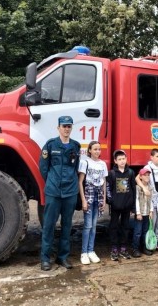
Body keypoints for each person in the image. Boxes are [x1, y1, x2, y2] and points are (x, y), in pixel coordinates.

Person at [39, 116, 81, 271]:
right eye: (64, 126)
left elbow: (75, 167)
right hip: (54, 192)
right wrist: (52, 181)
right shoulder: (50, 145)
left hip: (70, 192)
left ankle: (62, 257)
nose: (66, 129)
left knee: (67, 226)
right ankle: (45, 259)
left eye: (69, 126)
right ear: (58, 128)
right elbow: (44, 168)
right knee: (49, 226)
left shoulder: (75, 146)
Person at [78, 141, 107, 265]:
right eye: (95, 149)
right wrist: (83, 200)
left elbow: (104, 182)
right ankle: (84, 252)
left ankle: (91, 250)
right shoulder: (85, 162)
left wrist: (104, 199)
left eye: (99, 149)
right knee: (88, 225)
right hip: (89, 195)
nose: (97, 151)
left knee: (94, 226)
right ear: (89, 150)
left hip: (98, 196)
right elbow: (80, 182)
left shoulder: (103, 164)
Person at [136, 148, 158, 250]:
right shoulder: (147, 167)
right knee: (152, 223)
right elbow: (137, 178)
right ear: (151, 157)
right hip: (152, 199)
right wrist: (144, 188)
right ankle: (150, 242)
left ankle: (157, 241)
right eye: (157, 156)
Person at [106, 149, 136, 261]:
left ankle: (123, 248)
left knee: (125, 227)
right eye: (119, 159)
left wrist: (133, 205)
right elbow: (108, 188)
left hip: (127, 206)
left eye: (123, 159)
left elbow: (133, 189)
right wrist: (110, 201)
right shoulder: (112, 173)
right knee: (113, 227)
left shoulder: (130, 173)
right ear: (115, 161)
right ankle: (114, 248)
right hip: (115, 206)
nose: (122, 161)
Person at [132, 167, 154, 258]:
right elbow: (136, 200)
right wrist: (138, 213)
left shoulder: (150, 187)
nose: (147, 177)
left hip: (147, 213)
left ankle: (144, 247)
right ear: (140, 177)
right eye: (145, 175)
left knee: (145, 231)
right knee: (138, 232)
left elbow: (151, 200)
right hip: (140, 213)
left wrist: (151, 211)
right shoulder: (137, 188)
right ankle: (135, 249)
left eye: (148, 175)